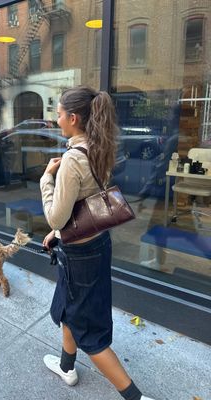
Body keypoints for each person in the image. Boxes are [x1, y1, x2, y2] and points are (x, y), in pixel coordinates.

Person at [40, 86, 155, 400]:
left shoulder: (71, 161)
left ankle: (136, 397)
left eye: (60, 113)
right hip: (95, 241)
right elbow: (86, 204)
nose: (57, 118)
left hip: (79, 255)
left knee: (90, 332)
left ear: (73, 118)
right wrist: (58, 235)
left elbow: (56, 217)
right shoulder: (100, 147)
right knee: (67, 307)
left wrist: (46, 179)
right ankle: (67, 366)